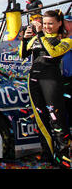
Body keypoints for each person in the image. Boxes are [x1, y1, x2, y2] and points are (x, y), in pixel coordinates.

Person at [19, 9, 72, 168]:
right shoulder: (37, 37)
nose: (47, 26)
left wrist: (40, 33)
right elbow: (23, 54)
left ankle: (64, 158)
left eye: (50, 23)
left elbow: (52, 52)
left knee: (56, 119)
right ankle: (47, 155)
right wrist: (24, 38)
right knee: (40, 119)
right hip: (33, 80)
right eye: (45, 23)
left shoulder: (66, 40)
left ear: (59, 23)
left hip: (51, 81)